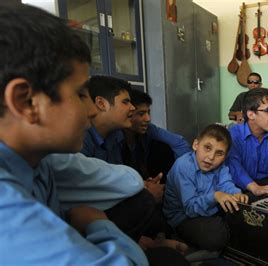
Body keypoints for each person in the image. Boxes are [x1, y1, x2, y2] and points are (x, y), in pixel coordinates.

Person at [0, 4, 146, 264]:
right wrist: (98, 225)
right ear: (26, 102)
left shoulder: (38, 162)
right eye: (80, 94)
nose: (90, 110)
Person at [81, 76, 187, 253]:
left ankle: (153, 240)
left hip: (111, 202)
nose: (131, 108)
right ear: (101, 103)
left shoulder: (114, 136)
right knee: (144, 201)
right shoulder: (83, 138)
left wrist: (141, 186)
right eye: (126, 102)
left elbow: (114, 177)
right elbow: (86, 194)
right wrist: (141, 191)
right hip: (94, 211)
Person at [163, 124, 249, 251]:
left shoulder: (221, 166)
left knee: (247, 206)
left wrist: (237, 194)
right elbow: (190, 209)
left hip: (211, 210)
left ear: (225, 157)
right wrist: (215, 196)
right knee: (215, 236)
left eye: (219, 153)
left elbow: (227, 184)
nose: (211, 157)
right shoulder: (183, 166)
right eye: (207, 148)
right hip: (184, 218)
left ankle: (228, 230)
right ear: (196, 145)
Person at [123, 89, 192, 179]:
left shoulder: (149, 129)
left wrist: (188, 173)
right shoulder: (114, 137)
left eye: (148, 112)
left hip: (144, 178)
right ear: (129, 113)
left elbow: (180, 143)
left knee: (162, 148)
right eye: (141, 113)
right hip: (125, 185)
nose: (148, 118)